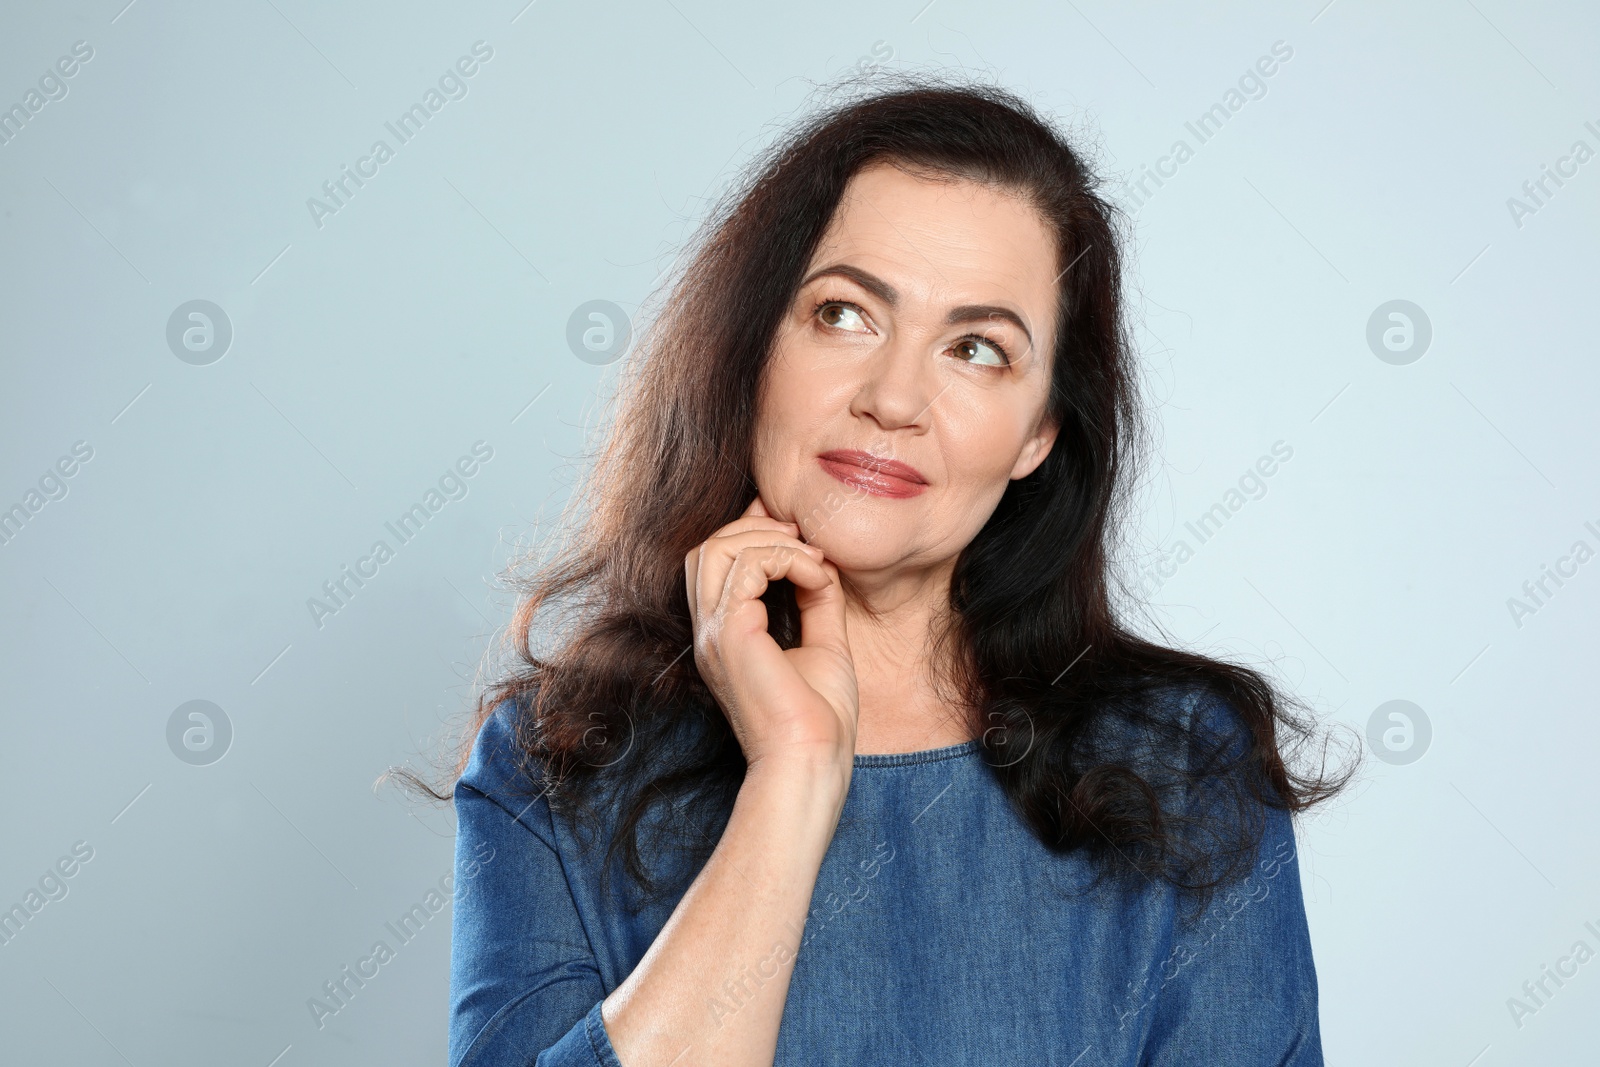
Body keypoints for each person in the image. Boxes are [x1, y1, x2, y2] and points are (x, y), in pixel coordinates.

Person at [435, 75, 1352, 1066]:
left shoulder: (1183, 762)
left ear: (1038, 431)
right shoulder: (551, 766)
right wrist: (791, 776)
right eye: (843, 315)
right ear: (754, 349)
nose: (894, 396)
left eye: (976, 348)